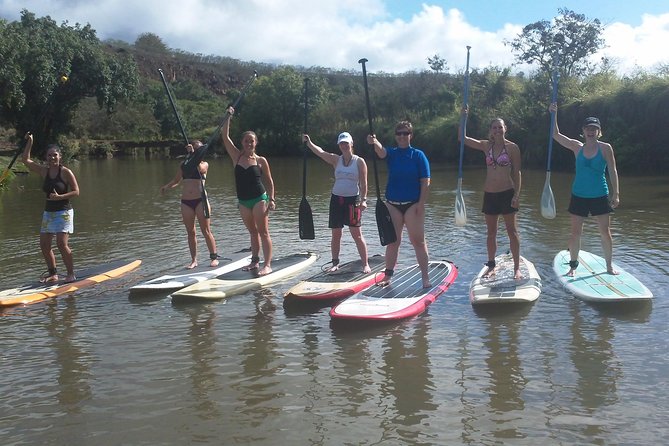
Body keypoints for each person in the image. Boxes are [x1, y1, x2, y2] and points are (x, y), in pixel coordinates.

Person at [549, 102, 620, 276]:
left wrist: (616, 193)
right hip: (579, 195)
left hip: (600, 195)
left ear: (598, 131)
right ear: (583, 130)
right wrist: (554, 114)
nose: (591, 131)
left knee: (605, 232)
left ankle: (609, 267)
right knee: (575, 233)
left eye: (594, 128)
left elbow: (612, 170)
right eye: (588, 128)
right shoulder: (576, 147)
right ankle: (573, 267)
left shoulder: (605, 148)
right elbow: (555, 135)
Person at [459, 109, 523, 279]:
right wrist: (463, 117)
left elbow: (517, 173)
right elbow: (462, 139)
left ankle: (517, 268)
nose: (497, 130)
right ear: (490, 131)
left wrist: (516, 195)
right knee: (491, 233)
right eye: (494, 128)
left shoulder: (513, 148)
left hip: (507, 193)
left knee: (512, 232)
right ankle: (491, 265)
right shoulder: (485, 145)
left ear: (505, 129)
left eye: (500, 127)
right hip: (490, 194)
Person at [367, 121, 431, 288]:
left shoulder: (418, 155)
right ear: (396, 136)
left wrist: (421, 204)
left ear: (411, 135)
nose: (402, 136)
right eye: (399, 134)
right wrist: (375, 142)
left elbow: (425, 181)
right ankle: (387, 276)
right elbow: (381, 152)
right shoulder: (393, 153)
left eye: (405, 133)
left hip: (413, 204)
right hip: (392, 204)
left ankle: (425, 277)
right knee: (393, 242)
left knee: (418, 241)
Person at [303, 131, 371, 273]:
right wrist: (309, 143)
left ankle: (365, 264)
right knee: (336, 234)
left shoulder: (359, 162)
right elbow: (321, 152)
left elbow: (364, 184)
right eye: (341, 143)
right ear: (339, 145)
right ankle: (335, 263)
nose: (344, 146)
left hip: (353, 201)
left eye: (346, 143)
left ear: (351, 144)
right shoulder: (335, 159)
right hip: (336, 200)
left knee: (356, 234)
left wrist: (364, 200)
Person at [222, 106, 275, 276]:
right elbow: (225, 136)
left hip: (259, 198)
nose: (249, 144)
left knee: (263, 231)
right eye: (246, 141)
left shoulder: (261, 161)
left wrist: (272, 199)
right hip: (243, 201)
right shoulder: (236, 156)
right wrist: (228, 116)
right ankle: (255, 261)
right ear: (242, 143)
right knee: (252, 232)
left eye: (251, 141)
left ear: (256, 143)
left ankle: (267, 265)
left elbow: (269, 181)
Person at [22, 133, 80, 283]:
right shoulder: (44, 171)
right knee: (44, 244)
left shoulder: (66, 172)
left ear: (60, 156)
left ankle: (70, 274)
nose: (52, 158)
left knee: (61, 243)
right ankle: (53, 273)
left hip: (64, 212)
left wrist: (60, 197)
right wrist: (31, 141)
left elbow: (76, 191)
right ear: (46, 157)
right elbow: (25, 160)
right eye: (49, 155)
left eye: (55, 155)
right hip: (49, 213)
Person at [160, 140, 219, 270]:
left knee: (206, 230)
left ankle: (214, 257)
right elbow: (176, 180)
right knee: (190, 232)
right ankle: (194, 260)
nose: (196, 151)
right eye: (194, 149)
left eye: (198, 150)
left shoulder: (204, 164)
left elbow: (199, 169)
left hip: (200, 200)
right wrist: (167, 187)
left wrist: (193, 155)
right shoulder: (184, 164)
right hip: (186, 202)